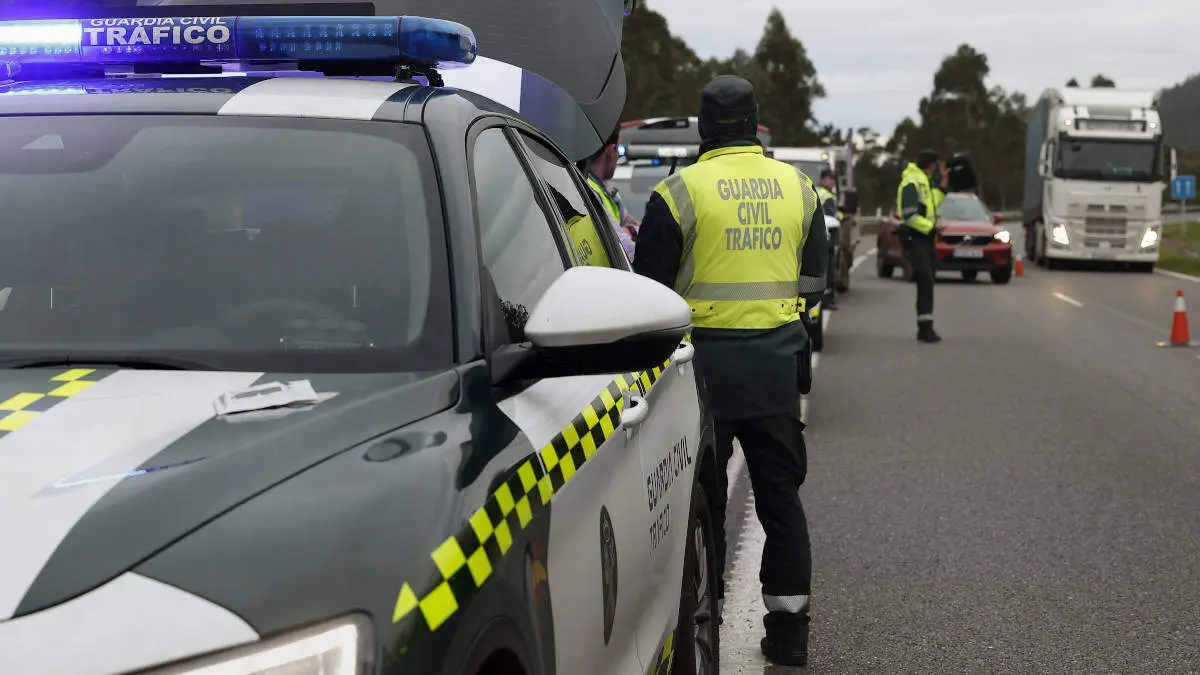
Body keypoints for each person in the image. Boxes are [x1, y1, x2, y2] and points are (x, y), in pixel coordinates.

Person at [632, 74, 827, 667]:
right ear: (755, 120)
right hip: (772, 368)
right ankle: (790, 633)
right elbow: (814, 286)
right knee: (780, 499)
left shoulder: (678, 192)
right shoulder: (800, 188)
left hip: (702, 374)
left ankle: (705, 617)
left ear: (705, 126)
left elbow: (648, 294)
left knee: (707, 502)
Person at [896, 148, 948, 343]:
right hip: (916, 238)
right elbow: (909, 216)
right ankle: (925, 328)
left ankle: (925, 326)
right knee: (925, 279)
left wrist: (943, 186)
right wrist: (932, 228)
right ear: (931, 165)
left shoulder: (925, 182)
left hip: (925, 239)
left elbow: (934, 202)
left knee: (928, 281)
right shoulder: (912, 182)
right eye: (936, 166)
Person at [579, 126, 638, 262]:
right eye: (618, 149)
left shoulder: (609, 190)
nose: (618, 157)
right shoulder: (590, 192)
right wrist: (632, 231)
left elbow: (632, 222)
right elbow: (627, 250)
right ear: (610, 151)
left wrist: (630, 229)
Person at [815, 169, 842, 310]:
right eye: (831, 180)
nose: (832, 183)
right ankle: (827, 300)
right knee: (828, 270)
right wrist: (841, 217)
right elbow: (833, 217)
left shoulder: (812, 191)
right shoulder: (828, 196)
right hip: (828, 237)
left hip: (815, 238)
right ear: (823, 180)